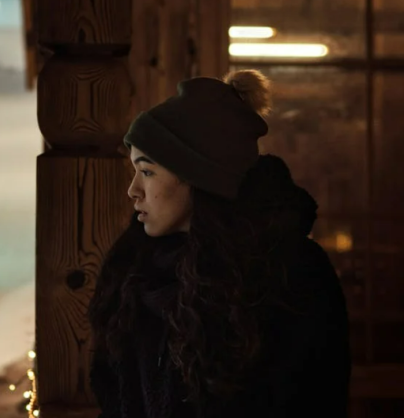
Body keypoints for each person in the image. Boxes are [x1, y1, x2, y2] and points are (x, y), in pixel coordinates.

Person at [88, 70, 350, 418]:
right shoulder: (136, 276)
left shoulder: (290, 277)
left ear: (198, 176)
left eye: (147, 171)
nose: (132, 190)